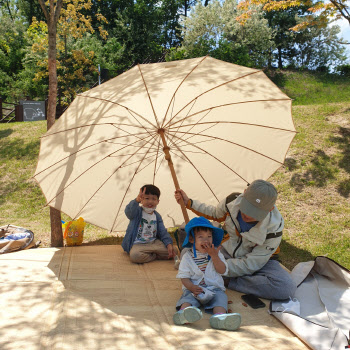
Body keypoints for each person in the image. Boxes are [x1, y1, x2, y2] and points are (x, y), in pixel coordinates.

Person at [175, 180, 297, 300]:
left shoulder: (274, 227)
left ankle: (227, 280)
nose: (248, 215)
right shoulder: (231, 201)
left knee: (285, 288)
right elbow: (215, 214)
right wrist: (189, 203)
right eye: (247, 207)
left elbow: (252, 264)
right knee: (188, 252)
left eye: (255, 213)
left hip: (261, 262)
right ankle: (221, 275)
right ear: (244, 194)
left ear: (270, 209)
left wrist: (219, 266)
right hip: (226, 252)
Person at [173, 216, 241, 331]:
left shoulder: (217, 254)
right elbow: (184, 277)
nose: (206, 240)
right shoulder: (187, 257)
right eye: (201, 237)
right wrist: (191, 287)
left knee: (221, 298)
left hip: (214, 289)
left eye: (209, 237)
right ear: (191, 239)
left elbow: (222, 271)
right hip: (194, 289)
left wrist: (214, 256)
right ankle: (183, 314)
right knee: (187, 298)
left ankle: (219, 318)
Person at [122, 184, 176, 263]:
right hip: (138, 244)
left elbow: (162, 232)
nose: (150, 201)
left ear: (158, 201)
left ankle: (150, 254)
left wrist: (168, 244)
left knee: (174, 250)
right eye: (147, 198)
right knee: (135, 256)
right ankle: (154, 256)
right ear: (142, 200)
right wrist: (136, 201)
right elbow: (129, 213)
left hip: (153, 242)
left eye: (153, 199)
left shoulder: (157, 216)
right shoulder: (137, 212)